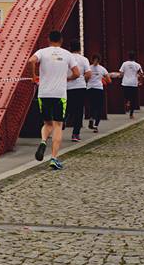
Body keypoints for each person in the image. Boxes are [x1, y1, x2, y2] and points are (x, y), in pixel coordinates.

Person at [28, 30, 79, 169]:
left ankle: (44, 141)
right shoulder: (67, 54)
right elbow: (77, 73)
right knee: (58, 125)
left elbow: (31, 60)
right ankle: (54, 158)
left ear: (48, 39)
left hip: (44, 93)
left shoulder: (42, 52)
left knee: (47, 123)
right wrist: (68, 78)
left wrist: (33, 75)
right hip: (59, 94)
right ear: (61, 40)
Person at [65, 40, 91, 142]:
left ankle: (62, 121)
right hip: (80, 87)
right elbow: (89, 74)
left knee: (66, 108)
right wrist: (83, 80)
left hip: (67, 87)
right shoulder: (84, 59)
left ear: (70, 48)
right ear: (80, 48)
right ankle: (75, 134)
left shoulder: (66, 59)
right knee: (79, 111)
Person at [86, 54, 110, 133]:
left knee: (92, 106)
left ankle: (91, 118)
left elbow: (85, 77)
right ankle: (96, 126)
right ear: (99, 60)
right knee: (99, 107)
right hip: (98, 89)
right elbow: (109, 80)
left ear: (92, 60)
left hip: (90, 88)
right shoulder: (102, 69)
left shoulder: (88, 68)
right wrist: (102, 79)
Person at [118, 51, 144, 119]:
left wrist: (120, 76)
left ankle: (127, 101)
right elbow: (141, 74)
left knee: (125, 95)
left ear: (128, 56)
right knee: (133, 99)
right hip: (133, 83)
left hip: (125, 83)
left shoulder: (124, 64)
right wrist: (140, 81)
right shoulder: (137, 65)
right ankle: (131, 114)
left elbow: (121, 73)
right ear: (134, 57)